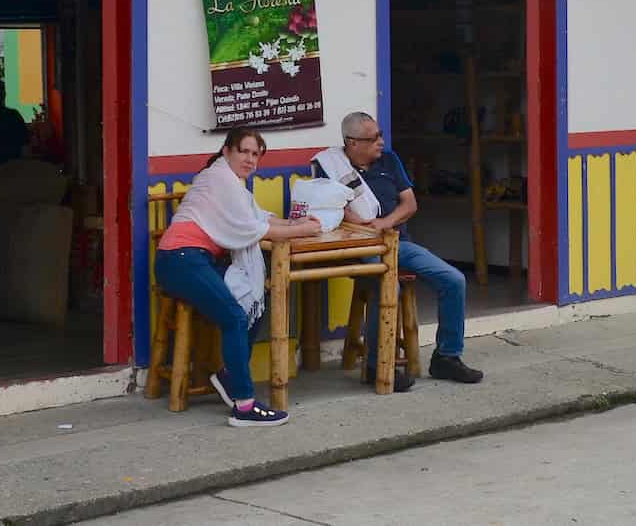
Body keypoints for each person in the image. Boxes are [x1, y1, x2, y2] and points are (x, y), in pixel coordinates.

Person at [155, 127, 322, 427]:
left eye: (255, 154)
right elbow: (254, 229)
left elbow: (259, 218)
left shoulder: (232, 184)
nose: (249, 159)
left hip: (198, 259)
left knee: (255, 297)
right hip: (179, 260)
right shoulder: (220, 179)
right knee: (233, 316)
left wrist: (297, 222)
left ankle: (230, 376)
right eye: (243, 151)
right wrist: (301, 230)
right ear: (227, 151)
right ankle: (244, 406)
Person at [312, 112, 484, 386]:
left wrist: (385, 223)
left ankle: (446, 358)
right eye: (373, 138)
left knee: (454, 280)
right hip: (360, 246)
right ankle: (376, 366)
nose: (381, 142)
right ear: (352, 143)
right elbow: (335, 210)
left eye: (380, 135)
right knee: (388, 285)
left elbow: (409, 204)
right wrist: (366, 227)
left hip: (398, 242)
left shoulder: (389, 161)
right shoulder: (331, 167)